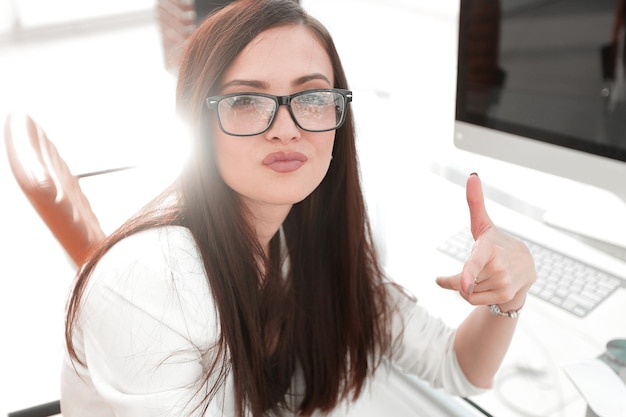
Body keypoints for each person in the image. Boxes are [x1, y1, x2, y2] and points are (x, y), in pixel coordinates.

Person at [61, 0, 537, 415]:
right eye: (246, 99)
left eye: (310, 98)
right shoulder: (152, 278)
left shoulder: (301, 238)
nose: (285, 128)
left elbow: (459, 367)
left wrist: (507, 298)